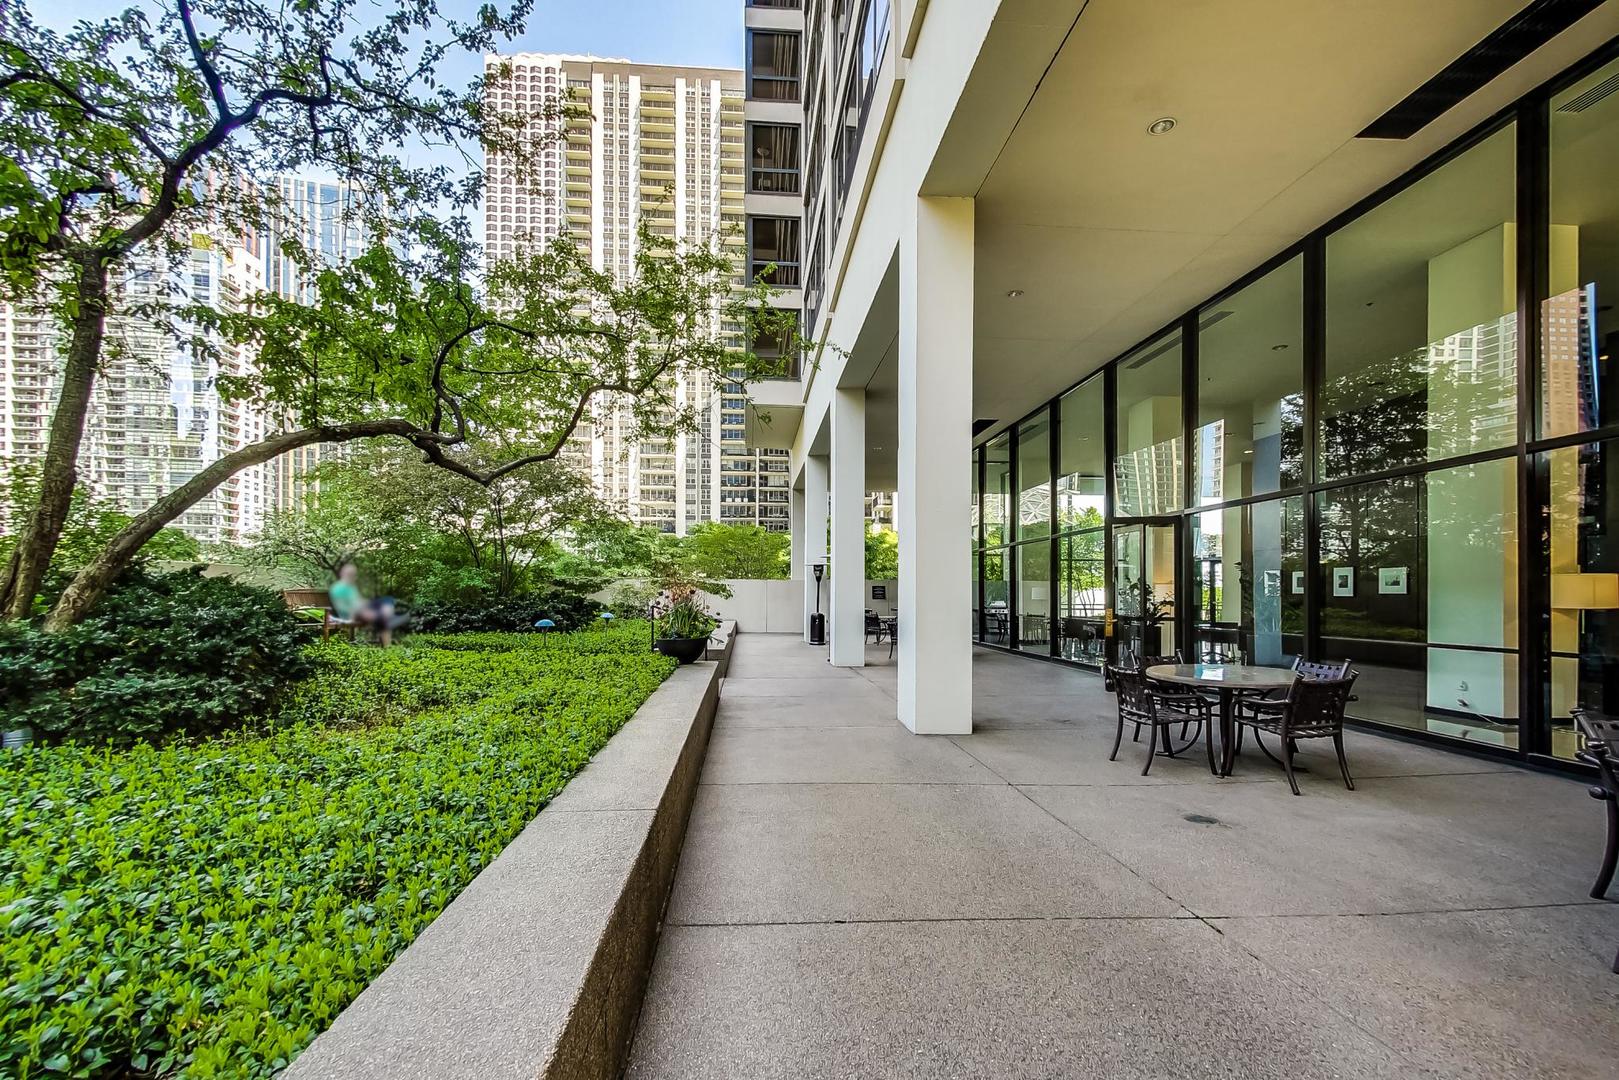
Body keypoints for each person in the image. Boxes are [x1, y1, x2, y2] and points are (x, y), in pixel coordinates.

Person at [329, 562, 398, 646]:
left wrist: (365, 604)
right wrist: (360, 610)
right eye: (350, 574)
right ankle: (388, 646)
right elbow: (341, 607)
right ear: (342, 574)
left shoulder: (351, 587)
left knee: (387, 599)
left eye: (354, 574)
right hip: (352, 614)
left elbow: (358, 600)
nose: (353, 576)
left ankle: (385, 615)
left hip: (361, 609)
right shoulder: (337, 588)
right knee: (382, 618)